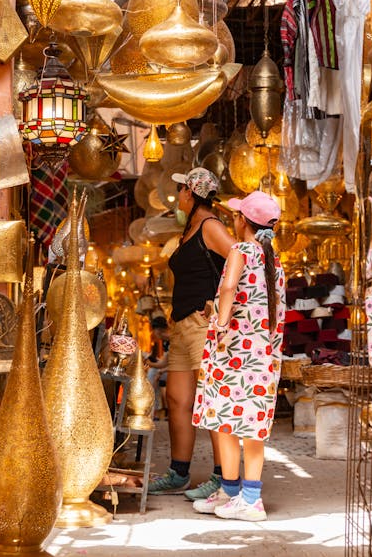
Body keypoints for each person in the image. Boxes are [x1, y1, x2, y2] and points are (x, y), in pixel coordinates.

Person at [191, 190, 286, 521]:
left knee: (226, 423)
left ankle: (240, 496)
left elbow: (230, 286)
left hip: (233, 353)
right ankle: (242, 496)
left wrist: (220, 322)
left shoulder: (241, 250)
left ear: (242, 220)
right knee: (251, 427)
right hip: (261, 357)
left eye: (236, 214)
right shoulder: (273, 261)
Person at [148, 167, 236, 498]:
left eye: (182, 189)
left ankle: (221, 476)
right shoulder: (190, 228)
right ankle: (179, 472)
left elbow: (240, 259)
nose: (179, 195)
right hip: (183, 326)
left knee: (212, 400)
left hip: (204, 325)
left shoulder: (211, 226)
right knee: (177, 399)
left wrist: (220, 302)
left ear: (191, 193)